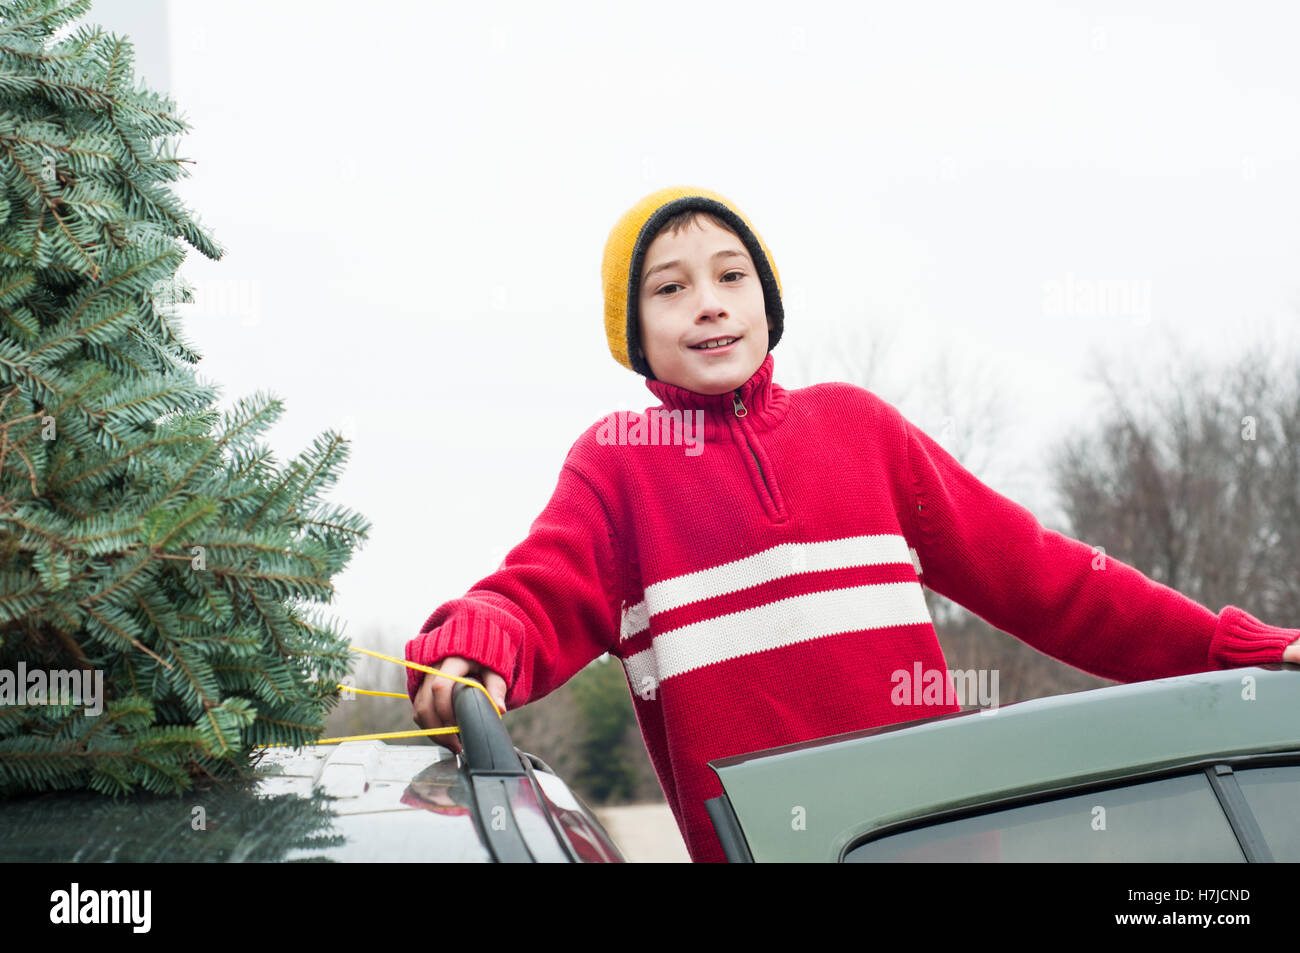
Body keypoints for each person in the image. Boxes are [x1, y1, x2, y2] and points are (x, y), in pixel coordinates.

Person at [407, 185, 1300, 863]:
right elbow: (532, 596)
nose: (710, 302)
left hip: (939, 842)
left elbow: (1052, 580)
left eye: (732, 276)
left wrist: (1235, 652)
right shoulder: (620, 464)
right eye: (670, 288)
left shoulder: (859, 429)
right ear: (633, 331)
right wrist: (476, 649)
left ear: (769, 301)